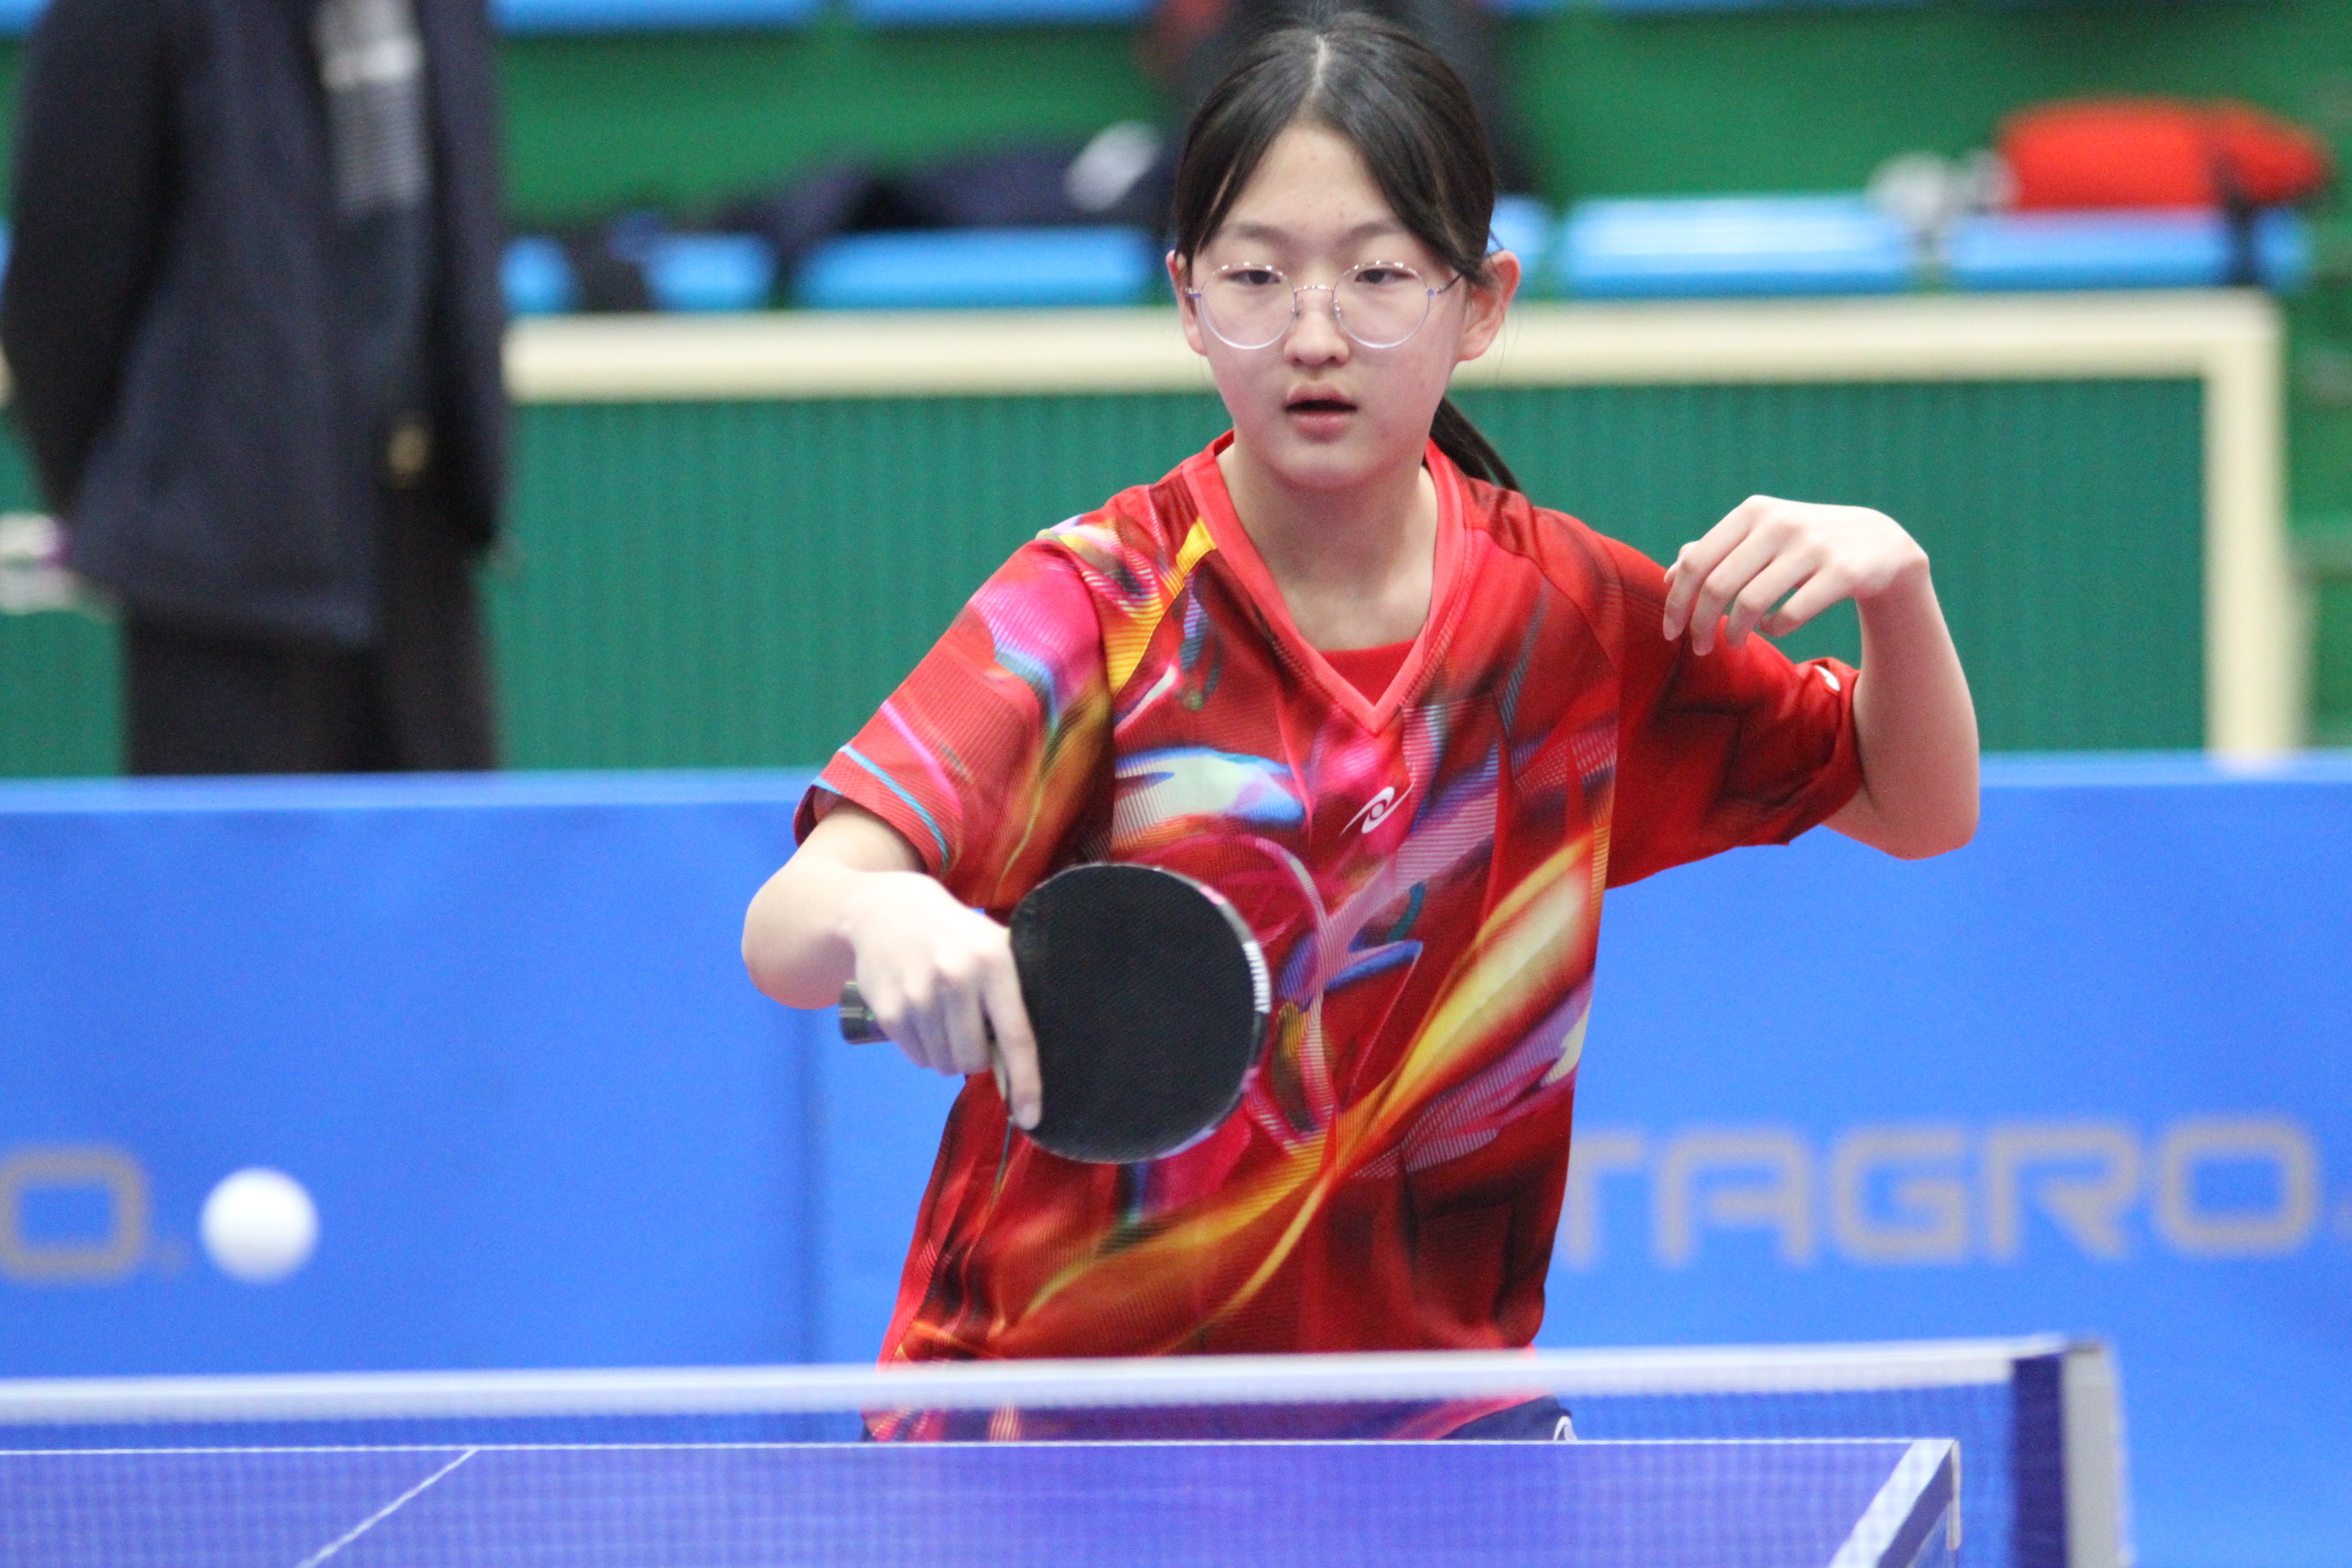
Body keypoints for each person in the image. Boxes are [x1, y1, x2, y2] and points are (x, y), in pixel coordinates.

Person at [742, 13, 1976, 1430]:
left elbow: (1915, 804)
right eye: (1256, 276)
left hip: (1430, 1426)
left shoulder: (1564, 620)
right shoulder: (1098, 606)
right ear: (1187, 298)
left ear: (1482, 302)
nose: (1315, 334)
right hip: (1044, 1431)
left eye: (1379, 275)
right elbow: (790, 925)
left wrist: (1898, 587)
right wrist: (883, 912)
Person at [0, 0, 508, 775]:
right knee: (231, 854)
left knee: (447, 850)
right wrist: (153, 501)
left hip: (422, 534)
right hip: (220, 575)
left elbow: (458, 222)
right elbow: (62, 282)